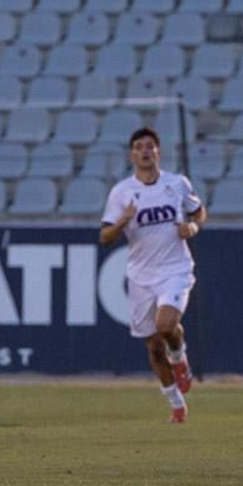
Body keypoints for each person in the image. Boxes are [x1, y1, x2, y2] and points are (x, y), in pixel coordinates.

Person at [99, 126, 206, 423]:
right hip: (140, 275)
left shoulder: (177, 183)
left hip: (175, 268)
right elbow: (105, 237)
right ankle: (175, 402)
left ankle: (179, 358)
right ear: (132, 154)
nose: (145, 151)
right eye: (139, 146)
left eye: (150, 146)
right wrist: (123, 220)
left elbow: (199, 212)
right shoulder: (121, 192)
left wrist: (193, 227)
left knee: (166, 323)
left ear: (158, 151)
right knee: (153, 345)